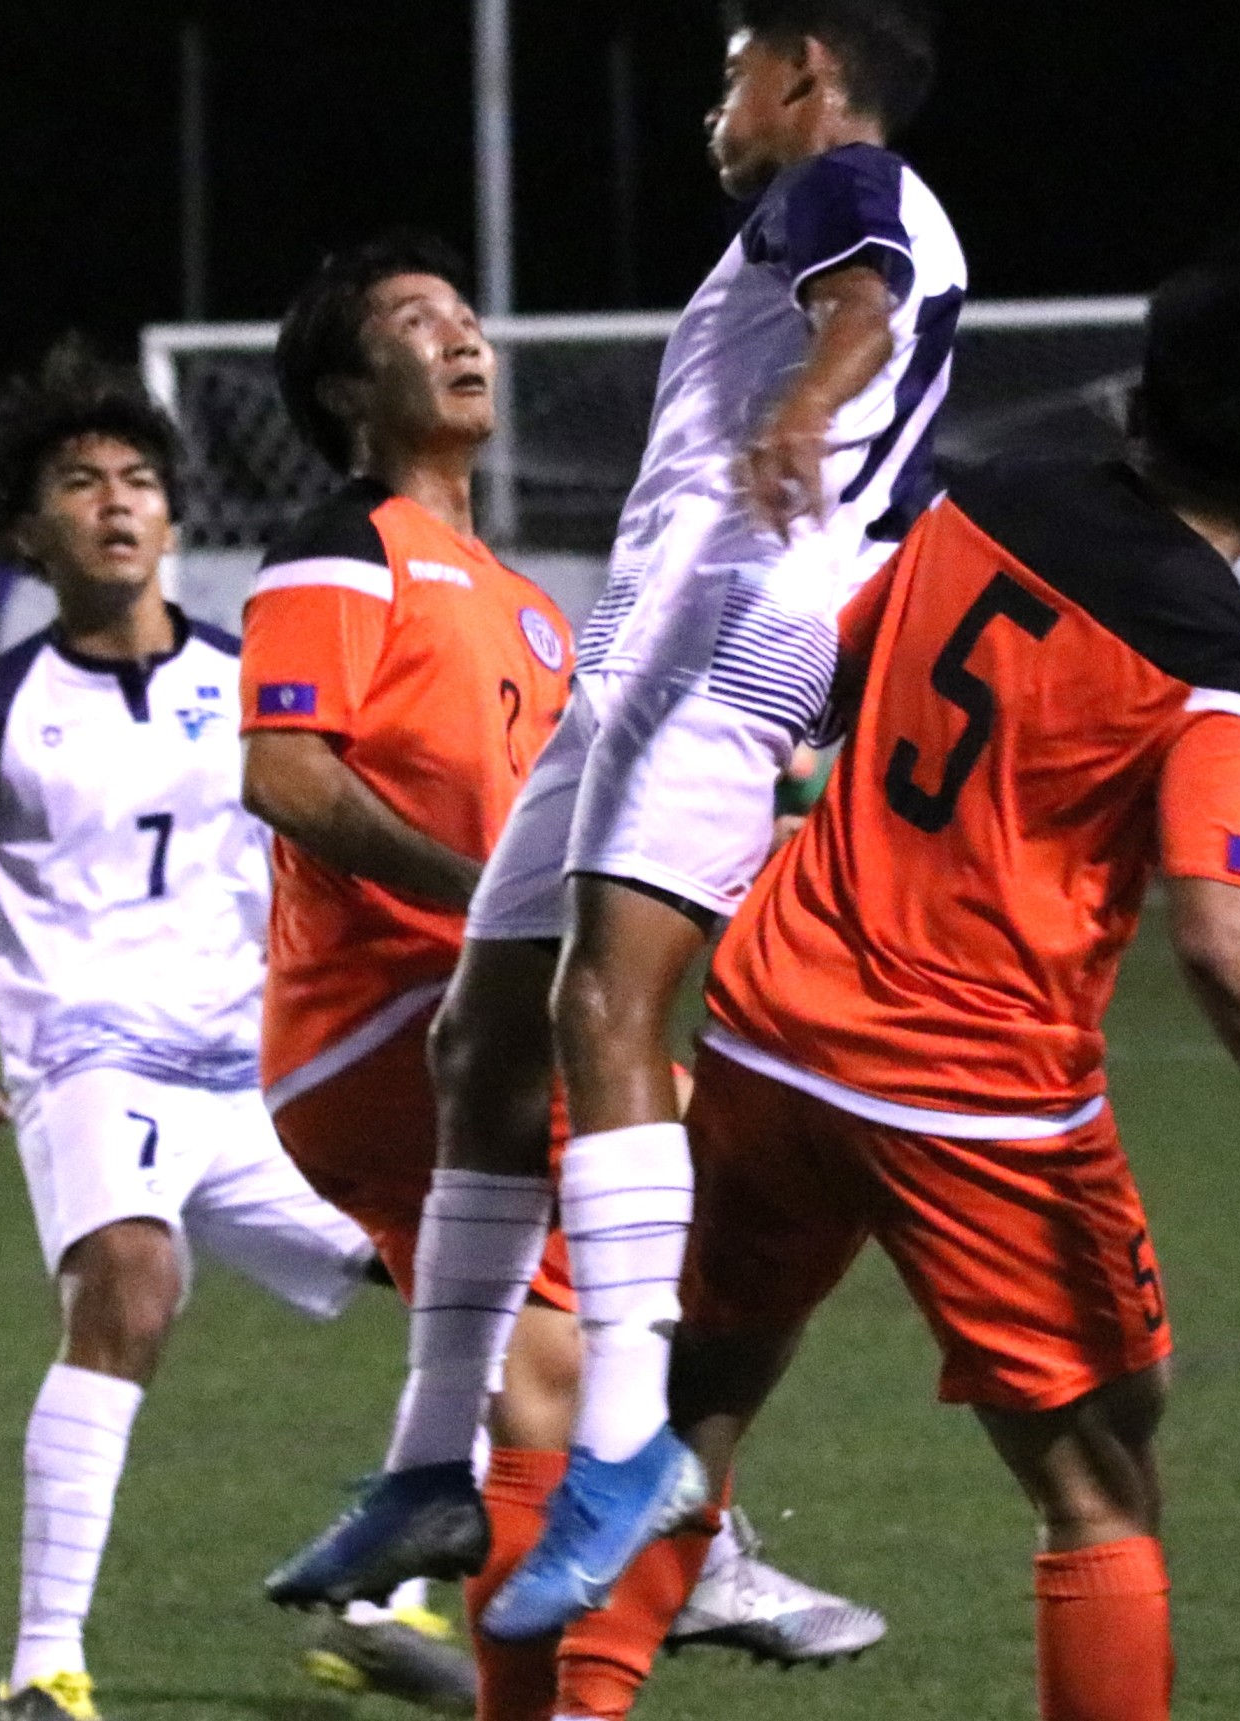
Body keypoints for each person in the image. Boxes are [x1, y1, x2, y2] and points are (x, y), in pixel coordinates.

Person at [271, 0, 970, 1644]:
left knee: (606, 1012)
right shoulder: (820, 207)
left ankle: (628, 1448)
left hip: (725, 642)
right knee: (481, 1041)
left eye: (732, 66)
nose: (714, 106)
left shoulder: (843, 181)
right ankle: (438, 1459)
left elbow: (858, 306)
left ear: (804, 71)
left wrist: (806, 400)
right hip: (649, 656)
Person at [662, 247, 1240, 1721]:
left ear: (1138, 399)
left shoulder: (989, 495)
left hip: (767, 1028)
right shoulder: (1225, 665)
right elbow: (1226, 939)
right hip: (973, 1097)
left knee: (694, 1415)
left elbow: (819, 682)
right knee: (1100, 1481)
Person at [242, 234, 885, 1715]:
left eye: (467, 315)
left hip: (464, 1030)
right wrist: (490, 914)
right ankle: (687, 1537)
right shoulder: (343, 546)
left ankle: (599, 1567)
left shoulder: (526, 600)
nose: (462, 338)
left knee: (556, 1353)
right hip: (394, 1023)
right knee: (740, 1162)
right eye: (416, 323)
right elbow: (284, 772)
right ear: (350, 389)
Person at [0, 341, 462, 1721]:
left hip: (258, 1080)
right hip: (93, 1066)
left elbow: (341, 840)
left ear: (175, 523)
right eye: (81, 484)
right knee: (132, 1286)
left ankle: (373, 1609)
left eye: (139, 480)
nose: (117, 503)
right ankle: (44, 1670)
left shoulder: (255, 681)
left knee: (481, 1283)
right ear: (35, 530)